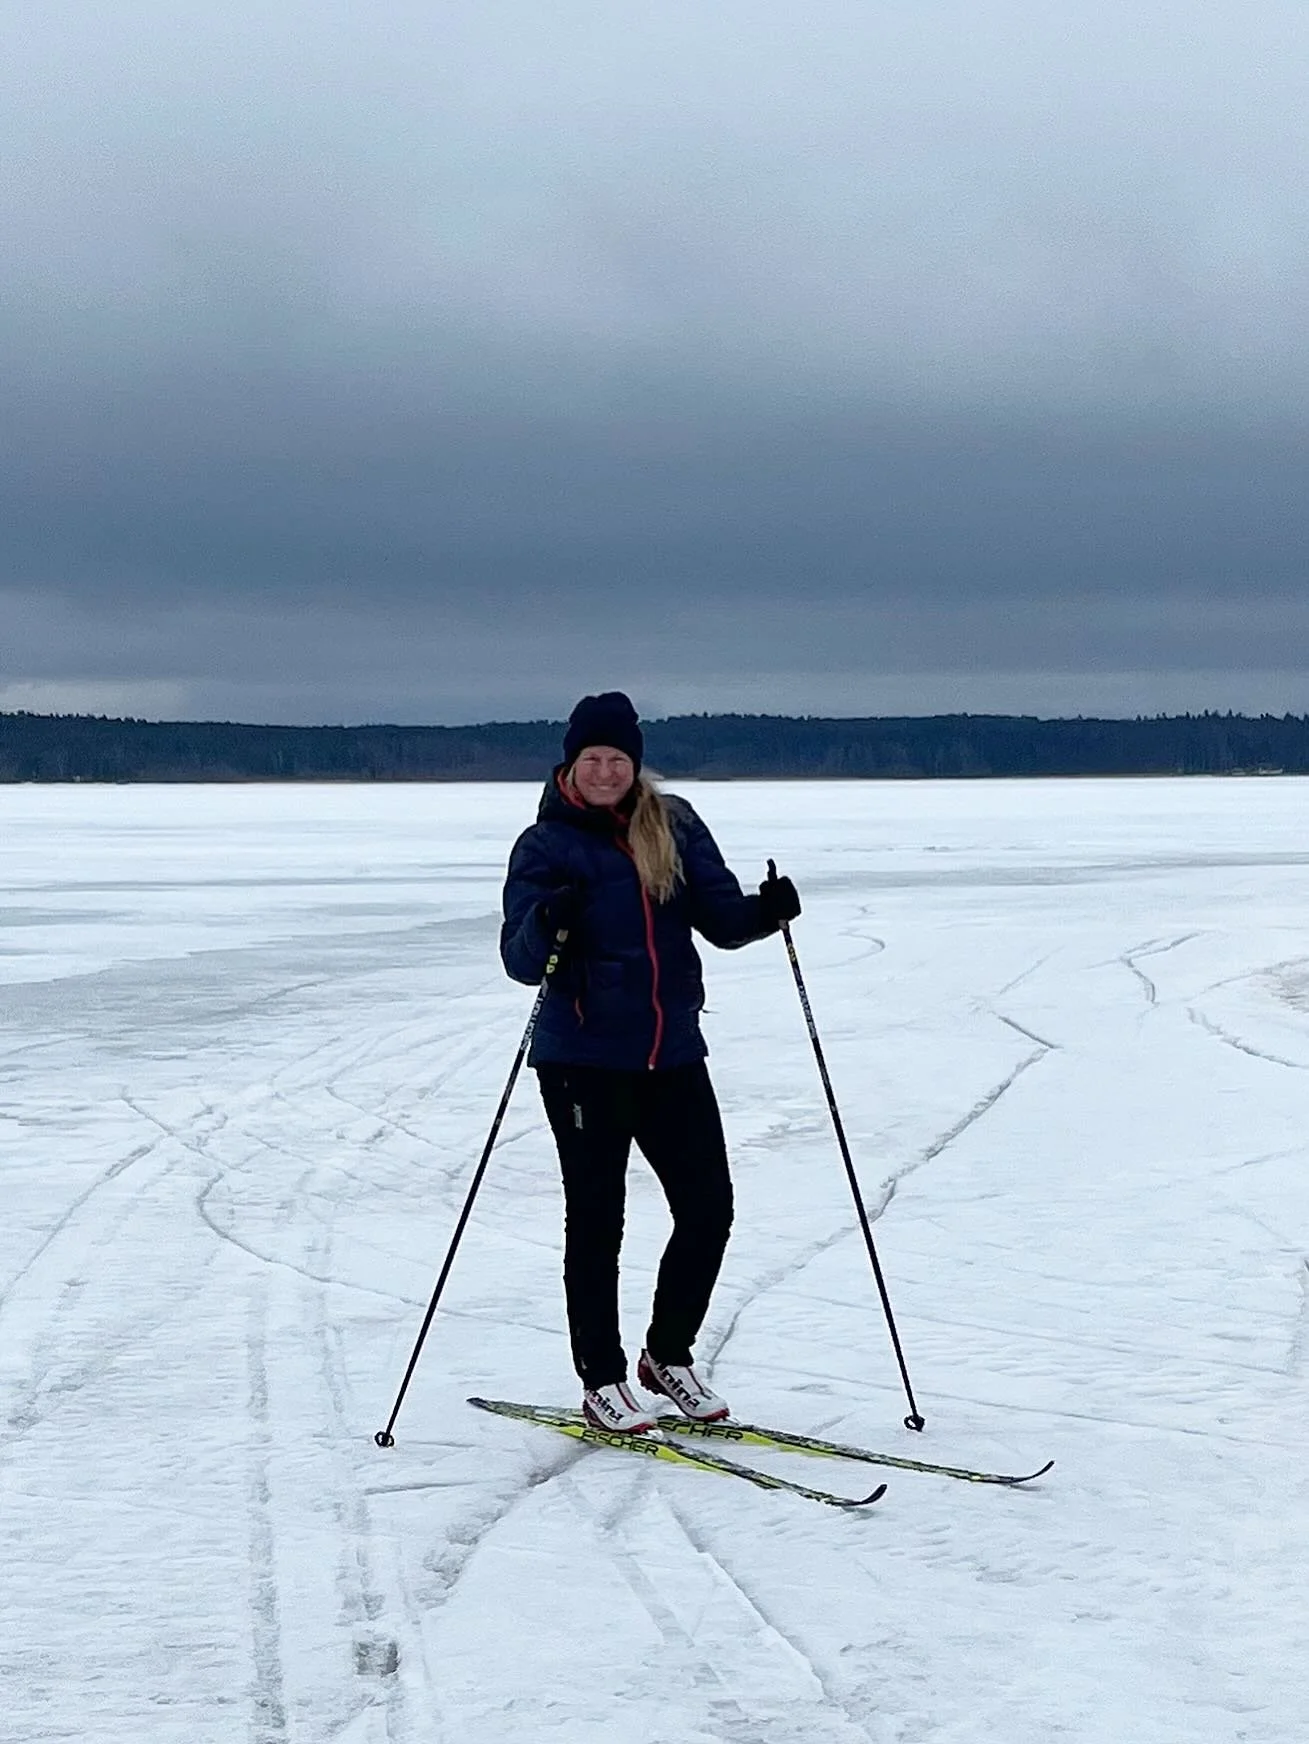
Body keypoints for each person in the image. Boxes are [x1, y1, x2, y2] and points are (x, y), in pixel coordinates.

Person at [500, 692, 801, 1432]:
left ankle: (667, 1354)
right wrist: (547, 920)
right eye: (592, 758)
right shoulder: (544, 845)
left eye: (617, 759)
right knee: (597, 1219)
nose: (605, 771)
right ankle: (601, 1378)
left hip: (672, 1054)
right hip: (582, 1060)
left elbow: (721, 920)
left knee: (708, 1208)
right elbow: (519, 959)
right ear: (570, 765)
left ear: (635, 764)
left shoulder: (673, 823)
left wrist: (766, 912)